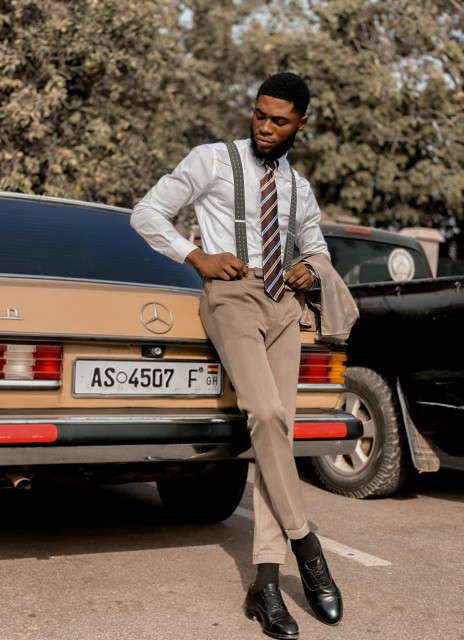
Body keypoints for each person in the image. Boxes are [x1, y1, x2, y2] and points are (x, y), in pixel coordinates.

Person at [131, 72, 344, 639]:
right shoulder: (211, 159)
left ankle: (266, 584)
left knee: (281, 432)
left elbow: (317, 241)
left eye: (280, 120)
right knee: (267, 416)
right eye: (259, 115)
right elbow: (146, 213)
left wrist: (311, 265)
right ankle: (308, 543)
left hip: (284, 305)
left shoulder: (298, 186)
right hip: (231, 297)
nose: (265, 128)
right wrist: (195, 255)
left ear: (302, 123)